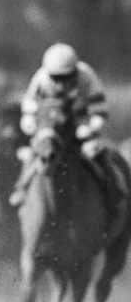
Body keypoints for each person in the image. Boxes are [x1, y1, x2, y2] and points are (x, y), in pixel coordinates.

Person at [10, 42, 125, 210]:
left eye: (65, 77)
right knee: (33, 155)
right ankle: (21, 189)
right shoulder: (41, 78)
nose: (61, 83)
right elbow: (29, 105)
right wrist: (29, 121)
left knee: (98, 154)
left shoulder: (86, 76)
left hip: (81, 129)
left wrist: (91, 126)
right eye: (56, 78)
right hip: (52, 130)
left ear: (74, 71)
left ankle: (113, 194)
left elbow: (99, 109)